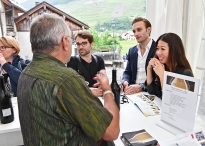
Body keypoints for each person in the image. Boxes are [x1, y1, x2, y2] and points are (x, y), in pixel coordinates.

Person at [17, 13, 119, 146]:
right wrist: (107, 91)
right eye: (73, 41)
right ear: (65, 42)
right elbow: (111, 131)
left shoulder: (25, 74)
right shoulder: (66, 79)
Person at [146, 33, 193, 99]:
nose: (158, 53)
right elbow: (152, 91)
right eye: (157, 48)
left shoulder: (185, 74)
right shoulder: (164, 67)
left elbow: (170, 100)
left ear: (174, 51)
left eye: (163, 49)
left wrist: (162, 75)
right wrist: (149, 68)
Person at [122, 17, 156, 95]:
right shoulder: (132, 50)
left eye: (139, 30)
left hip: (151, 93)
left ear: (149, 30)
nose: (136, 34)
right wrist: (125, 81)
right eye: (134, 31)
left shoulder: (158, 50)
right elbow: (127, 72)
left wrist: (141, 86)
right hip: (132, 93)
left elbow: (158, 79)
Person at [67, 30, 105, 97]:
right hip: (82, 99)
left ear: (91, 44)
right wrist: (88, 91)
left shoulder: (99, 60)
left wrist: (103, 85)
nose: (80, 47)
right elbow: (72, 86)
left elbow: (104, 78)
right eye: (78, 44)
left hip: (98, 98)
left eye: (84, 43)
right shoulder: (72, 61)